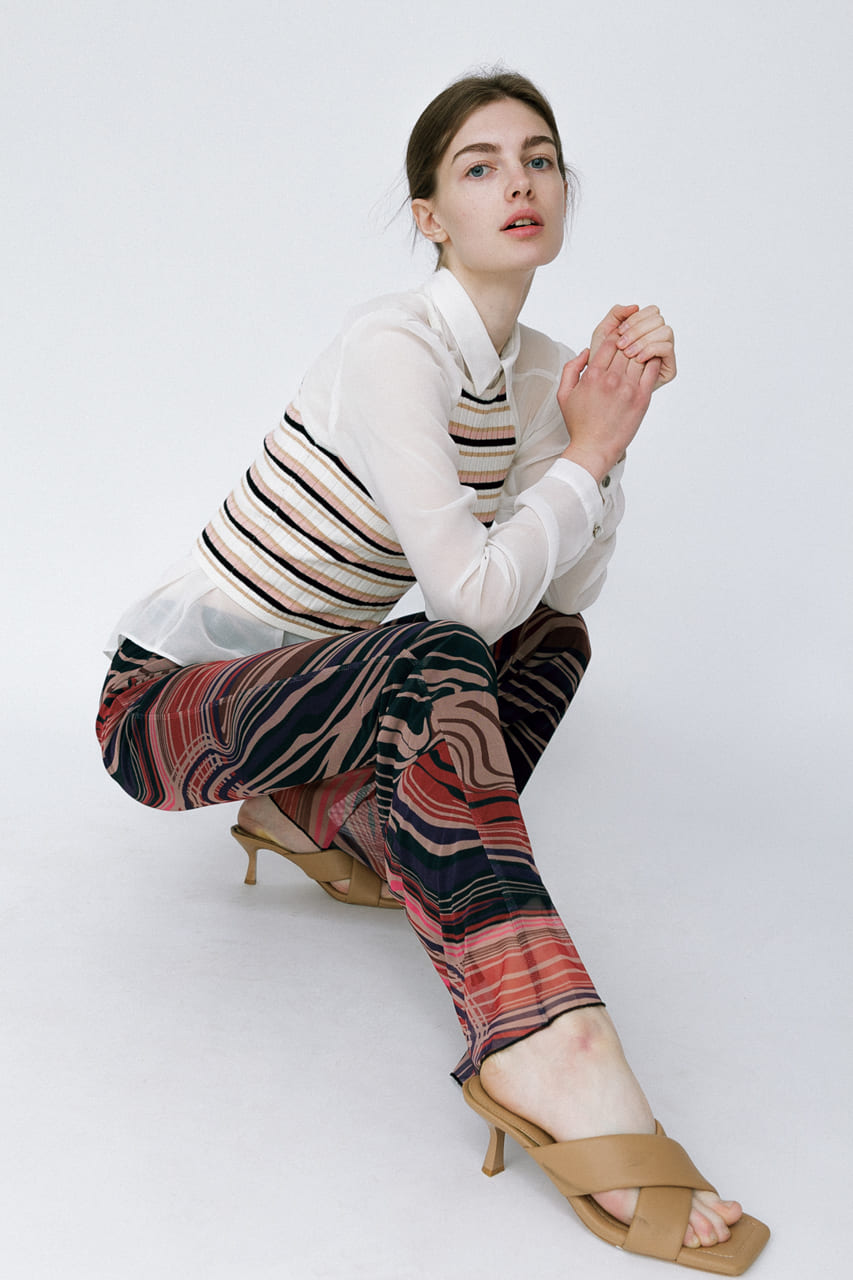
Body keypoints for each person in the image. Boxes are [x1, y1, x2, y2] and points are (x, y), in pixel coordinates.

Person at [96, 71, 769, 1273]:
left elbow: (561, 593)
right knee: (448, 645)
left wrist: (601, 444)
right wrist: (587, 453)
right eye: (479, 164)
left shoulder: (539, 370)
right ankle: (543, 1038)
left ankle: (316, 812)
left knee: (551, 642)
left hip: (312, 703)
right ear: (430, 214)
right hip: (169, 706)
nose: (519, 181)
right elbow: (462, 598)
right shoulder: (391, 345)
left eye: (540, 158)